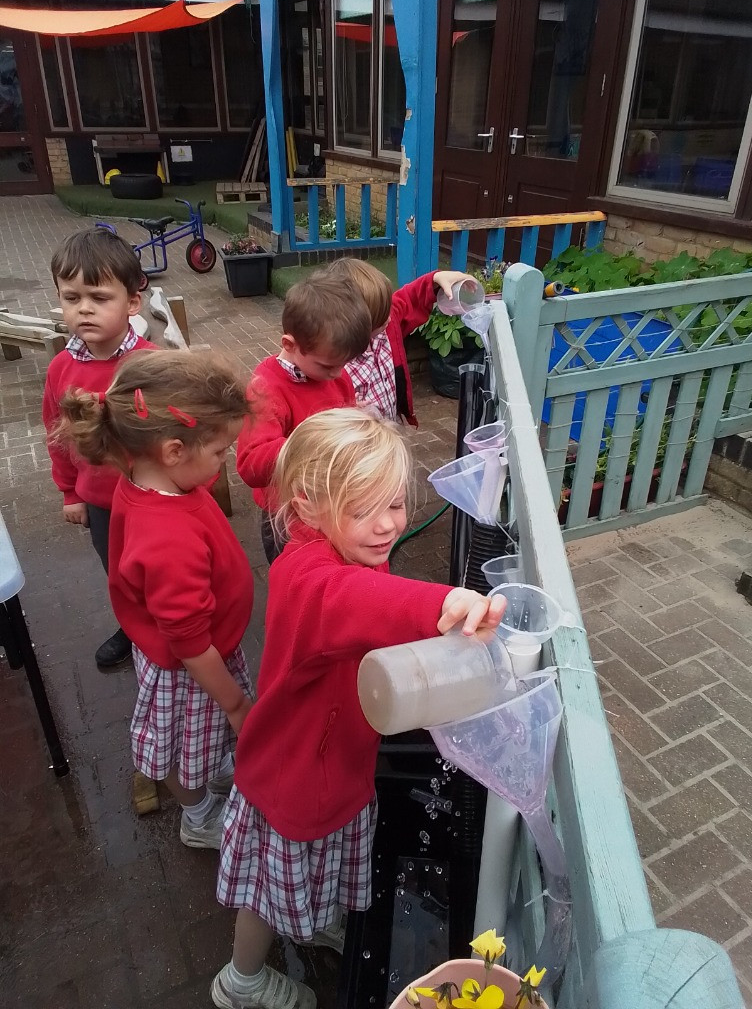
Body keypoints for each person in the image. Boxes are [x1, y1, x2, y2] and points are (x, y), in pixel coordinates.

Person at [212, 408, 506, 1009]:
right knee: (266, 896)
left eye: (395, 505)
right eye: (362, 509)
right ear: (309, 506)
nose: (386, 527)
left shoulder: (355, 549)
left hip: (339, 765)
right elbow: (357, 603)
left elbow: (372, 612)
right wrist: (446, 600)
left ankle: (314, 915)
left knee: (324, 859)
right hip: (292, 778)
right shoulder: (306, 574)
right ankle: (240, 980)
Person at [53, 349, 255, 849]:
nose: (224, 459)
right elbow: (187, 640)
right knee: (181, 749)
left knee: (198, 742)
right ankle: (199, 815)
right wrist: (233, 703)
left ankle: (212, 766)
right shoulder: (167, 539)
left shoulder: (153, 483)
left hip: (199, 653)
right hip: (193, 669)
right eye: (219, 451)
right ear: (171, 451)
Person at [43, 227, 156, 668]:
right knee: (119, 574)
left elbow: (178, 432)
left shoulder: (149, 363)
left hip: (150, 496)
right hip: (102, 502)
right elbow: (56, 432)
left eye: (99, 297)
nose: (84, 309)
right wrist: (70, 492)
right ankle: (132, 627)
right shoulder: (61, 369)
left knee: (163, 568)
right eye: (71, 298)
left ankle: (177, 626)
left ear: (131, 302)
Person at [235, 271, 371, 564]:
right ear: (289, 345)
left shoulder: (332, 372)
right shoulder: (266, 389)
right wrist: (314, 440)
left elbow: (343, 407)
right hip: (287, 513)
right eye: (328, 366)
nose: (338, 374)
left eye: (344, 364)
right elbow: (249, 464)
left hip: (330, 500)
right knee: (297, 575)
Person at [326, 258, 476, 424]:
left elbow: (408, 298)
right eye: (382, 315)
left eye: (388, 307)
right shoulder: (332, 363)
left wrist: (434, 281)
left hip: (391, 422)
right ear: (353, 322)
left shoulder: (386, 323)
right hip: (358, 439)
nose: (390, 317)